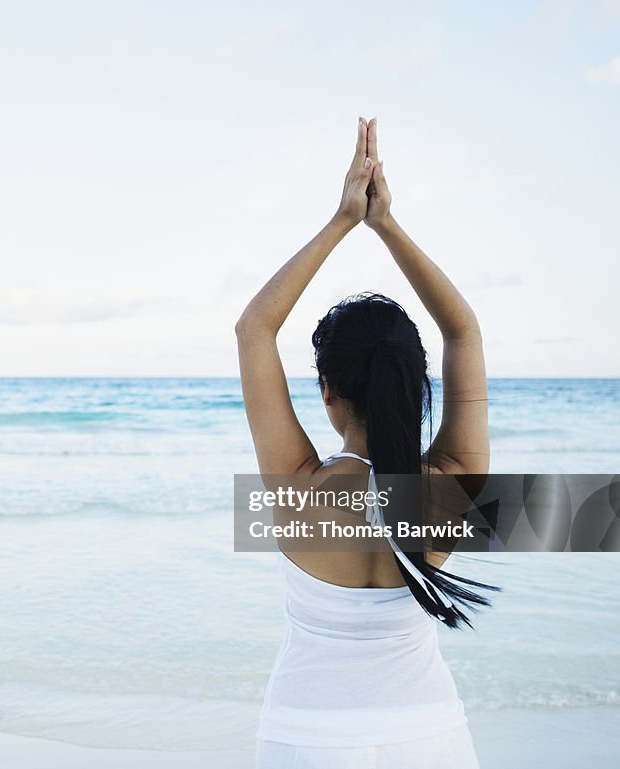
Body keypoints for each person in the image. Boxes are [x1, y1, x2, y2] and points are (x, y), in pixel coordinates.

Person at [235, 116, 497, 768]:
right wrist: (387, 225)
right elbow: (463, 330)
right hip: (431, 737)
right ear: (416, 380)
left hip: (305, 737)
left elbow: (253, 329)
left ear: (327, 391)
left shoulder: (299, 491)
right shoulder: (453, 480)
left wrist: (343, 219)